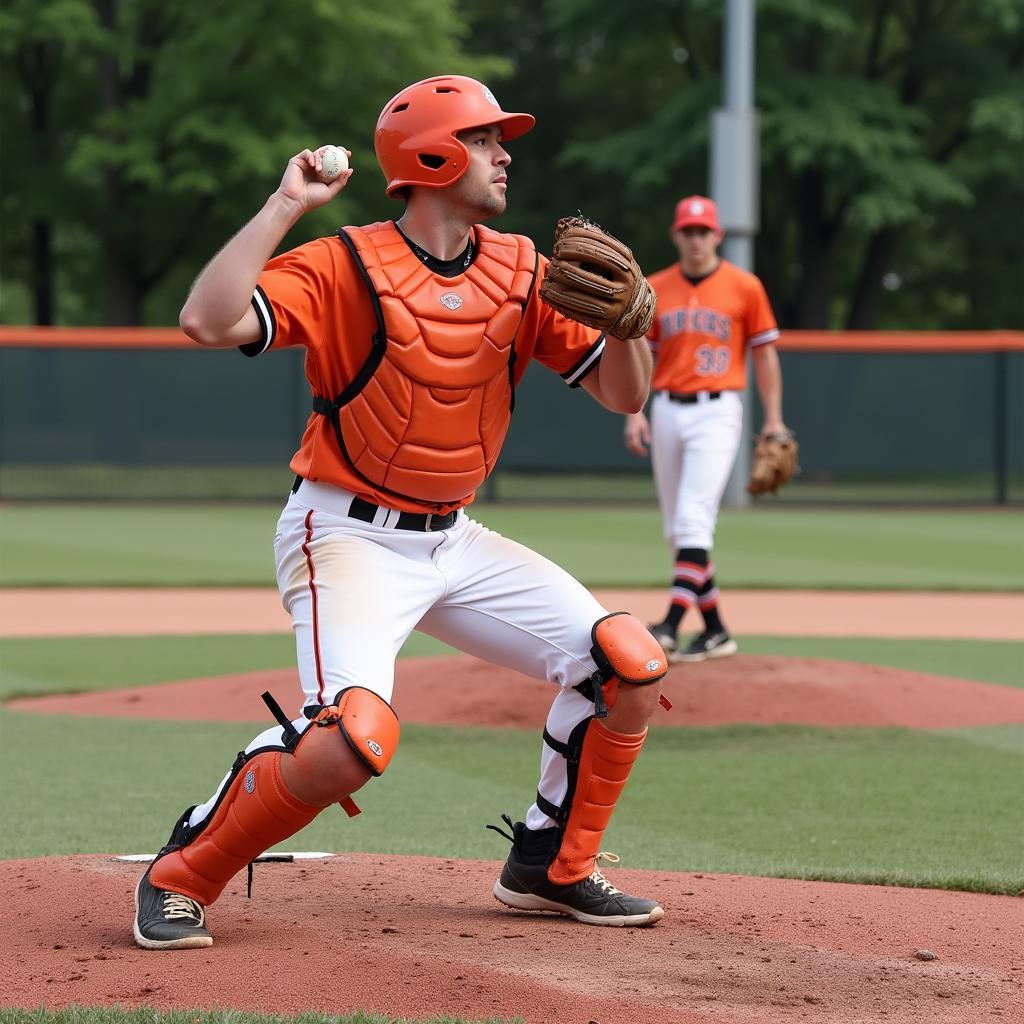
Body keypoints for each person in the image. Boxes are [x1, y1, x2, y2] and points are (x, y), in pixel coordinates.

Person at [133, 75, 671, 951]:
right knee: (348, 739)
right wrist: (284, 205)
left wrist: (631, 325)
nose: (505, 155)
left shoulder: (525, 266)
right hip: (343, 535)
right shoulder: (345, 263)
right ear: (433, 156)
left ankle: (550, 865)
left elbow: (622, 393)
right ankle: (182, 872)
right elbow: (206, 318)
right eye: (487, 139)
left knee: (627, 663)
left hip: (454, 538)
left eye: (502, 141)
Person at [624, 196, 787, 662]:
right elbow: (643, 356)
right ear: (676, 235)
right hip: (667, 409)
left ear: (717, 235)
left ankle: (671, 626)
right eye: (688, 231)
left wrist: (773, 419)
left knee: (694, 518)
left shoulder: (745, 286)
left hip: (718, 411)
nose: (696, 239)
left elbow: (765, 354)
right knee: (679, 532)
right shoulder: (655, 288)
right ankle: (715, 630)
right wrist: (633, 412)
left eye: (703, 231)